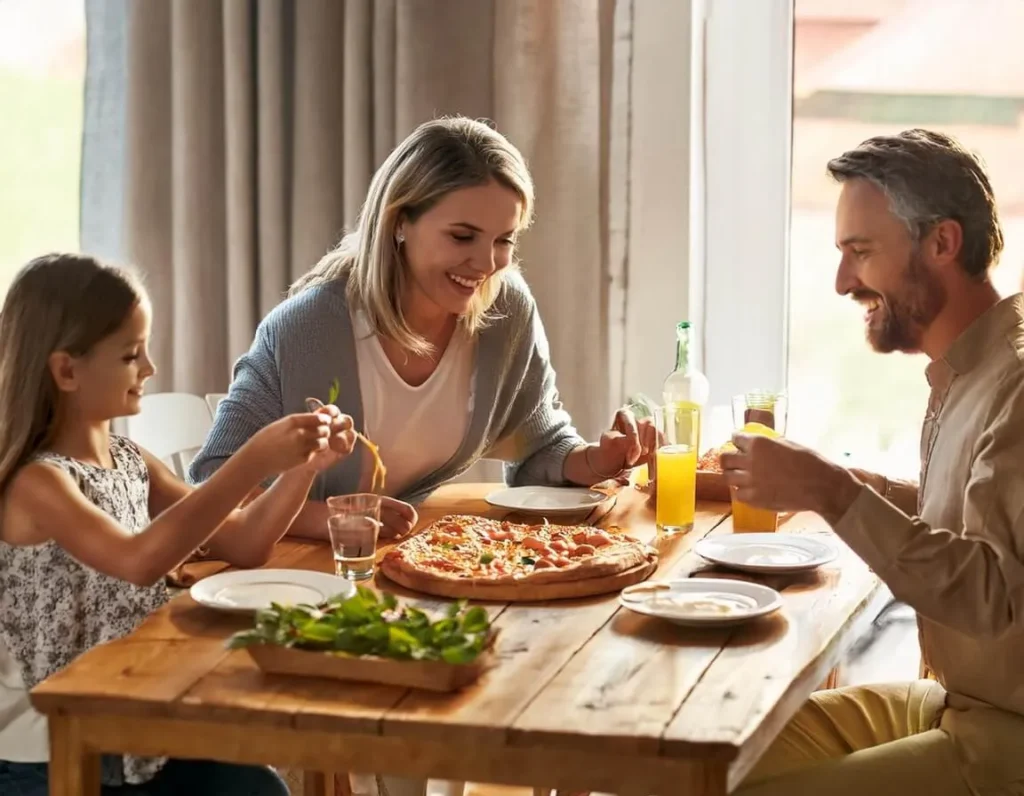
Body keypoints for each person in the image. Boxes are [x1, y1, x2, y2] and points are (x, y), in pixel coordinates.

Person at [722, 129, 1024, 796]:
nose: (840, 282)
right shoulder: (974, 363)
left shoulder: (1017, 384)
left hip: (1007, 738)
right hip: (955, 703)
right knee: (709, 764)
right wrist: (851, 483)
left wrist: (832, 494)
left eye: (860, 252)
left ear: (942, 243)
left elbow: (992, 597)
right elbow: (974, 517)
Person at [190, 116, 657, 540]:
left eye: (504, 240)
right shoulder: (305, 329)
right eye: (462, 236)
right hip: (290, 572)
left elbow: (540, 449)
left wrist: (598, 460)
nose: (486, 262)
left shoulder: (506, 311)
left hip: (402, 559)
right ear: (399, 223)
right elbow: (210, 484)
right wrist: (330, 517)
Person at [0, 253, 356, 796]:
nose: (150, 368)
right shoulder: (38, 483)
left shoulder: (129, 459)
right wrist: (253, 459)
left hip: (133, 725)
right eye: (130, 354)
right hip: (49, 754)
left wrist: (302, 470)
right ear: (66, 370)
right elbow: (139, 561)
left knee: (260, 789)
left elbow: (245, 542)